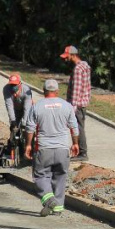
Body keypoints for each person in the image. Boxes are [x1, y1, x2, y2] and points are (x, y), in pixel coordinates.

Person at [25, 79, 79, 217]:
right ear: (57, 91)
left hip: (44, 149)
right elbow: (74, 127)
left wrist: (28, 145)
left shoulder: (37, 106)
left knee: (40, 176)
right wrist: (75, 143)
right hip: (62, 149)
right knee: (60, 177)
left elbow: (30, 128)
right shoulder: (67, 106)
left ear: (43, 91)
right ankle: (58, 208)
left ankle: (49, 200)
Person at [60, 45, 91, 162]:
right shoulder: (84, 66)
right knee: (79, 127)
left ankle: (82, 153)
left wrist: (72, 107)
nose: (65, 58)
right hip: (83, 103)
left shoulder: (78, 69)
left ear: (73, 55)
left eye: (66, 56)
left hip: (77, 105)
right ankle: (80, 151)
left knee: (78, 128)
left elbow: (77, 89)